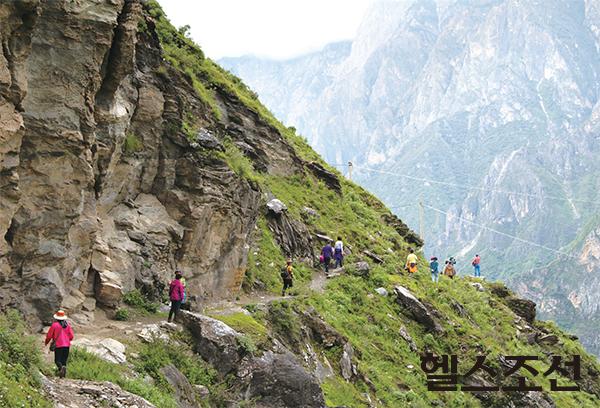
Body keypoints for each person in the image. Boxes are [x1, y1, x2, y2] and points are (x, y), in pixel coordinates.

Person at [45, 309, 74, 378]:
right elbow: (71, 336)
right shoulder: (68, 325)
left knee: (57, 360)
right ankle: (63, 376)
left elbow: (49, 335)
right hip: (67, 345)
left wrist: (46, 342)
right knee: (64, 361)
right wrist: (66, 340)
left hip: (58, 345)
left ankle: (61, 369)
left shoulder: (54, 325)